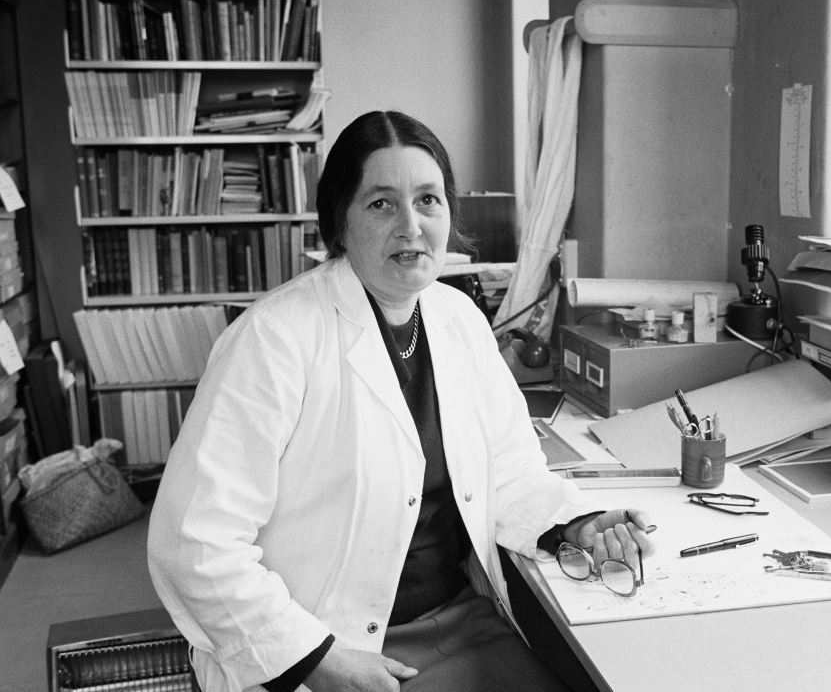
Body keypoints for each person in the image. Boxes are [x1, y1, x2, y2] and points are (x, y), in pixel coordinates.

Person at [147, 110, 656, 692]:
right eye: (381, 203)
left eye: (428, 200)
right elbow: (194, 542)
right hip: (324, 643)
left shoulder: (458, 319)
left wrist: (573, 523)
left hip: (463, 620)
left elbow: (510, 472)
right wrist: (321, 662)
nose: (411, 226)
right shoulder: (273, 339)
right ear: (339, 223)